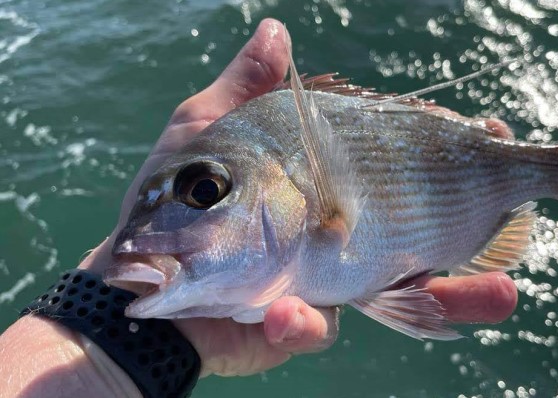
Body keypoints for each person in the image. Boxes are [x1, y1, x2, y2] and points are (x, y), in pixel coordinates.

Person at [0, 18, 518, 397]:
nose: (130, 251)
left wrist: (102, 358)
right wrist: (106, 356)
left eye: (204, 193)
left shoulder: (325, 209)